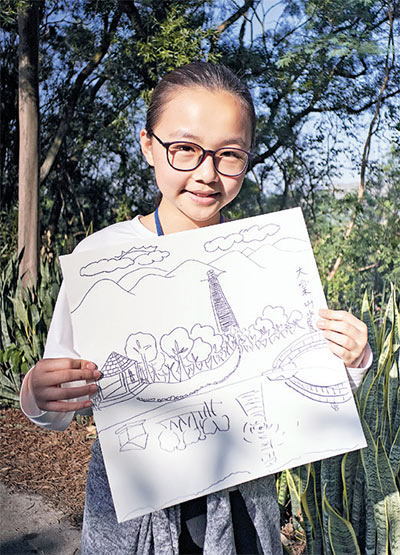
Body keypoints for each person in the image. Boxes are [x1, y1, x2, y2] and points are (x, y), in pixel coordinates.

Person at [20, 62, 371, 554]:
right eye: (185, 148)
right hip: (134, 515)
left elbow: (300, 392)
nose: (207, 173)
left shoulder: (266, 257)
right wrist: (38, 394)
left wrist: (350, 360)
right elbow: (58, 406)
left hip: (244, 509)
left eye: (229, 155)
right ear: (148, 145)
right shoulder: (99, 256)